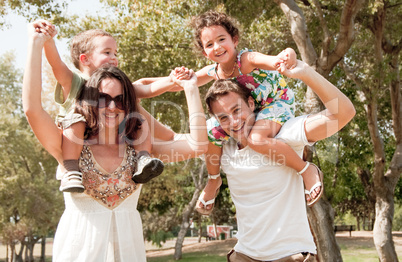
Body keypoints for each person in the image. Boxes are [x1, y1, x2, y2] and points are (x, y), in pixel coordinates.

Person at [23, 24, 208, 261]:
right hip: (79, 251)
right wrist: (37, 43)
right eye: (103, 99)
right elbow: (32, 109)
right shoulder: (70, 146)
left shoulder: (139, 149)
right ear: (89, 100)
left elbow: (197, 146)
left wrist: (191, 89)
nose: (112, 107)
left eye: (120, 100)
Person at [204, 60, 355, 261]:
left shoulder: (284, 134)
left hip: (290, 255)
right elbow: (163, 145)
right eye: (223, 117)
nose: (233, 122)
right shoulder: (225, 149)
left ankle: (308, 170)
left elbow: (344, 113)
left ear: (251, 103)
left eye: (236, 110)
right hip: (244, 255)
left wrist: (307, 74)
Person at [184, 10, 321, 214]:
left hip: (275, 102)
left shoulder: (247, 59)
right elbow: (179, 83)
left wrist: (288, 54)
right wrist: (178, 77)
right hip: (247, 109)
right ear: (205, 53)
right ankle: (213, 180)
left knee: (256, 139)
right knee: (210, 132)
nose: (218, 47)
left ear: (234, 40)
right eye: (210, 44)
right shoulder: (213, 71)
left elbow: (276, 60)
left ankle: (305, 169)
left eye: (222, 39)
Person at [33, 20, 181, 193]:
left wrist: (172, 80)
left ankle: (143, 159)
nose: (114, 57)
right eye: (107, 52)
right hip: (75, 140)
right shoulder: (75, 82)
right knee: (78, 119)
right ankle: (71, 170)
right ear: (85, 59)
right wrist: (48, 40)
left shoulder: (114, 85)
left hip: (105, 135)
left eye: (115, 53)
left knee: (138, 119)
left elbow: (147, 90)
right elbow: (56, 64)